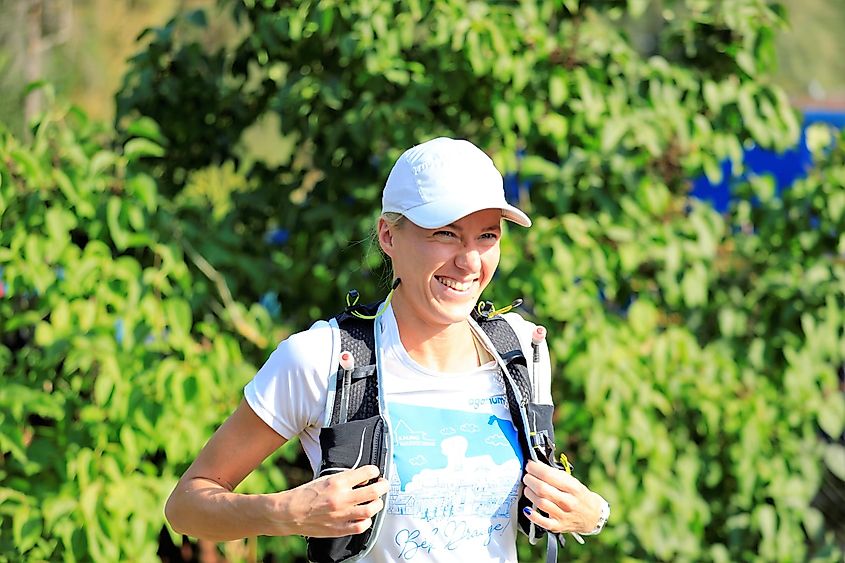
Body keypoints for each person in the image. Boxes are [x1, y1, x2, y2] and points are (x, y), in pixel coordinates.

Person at [165, 137, 609, 562]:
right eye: (446, 234)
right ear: (388, 237)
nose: (470, 261)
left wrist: (592, 515)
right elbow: (186, 506)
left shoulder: (521, 352)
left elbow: (560, 500)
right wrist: (289, 513)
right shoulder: (322, 359)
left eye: (487, 237)